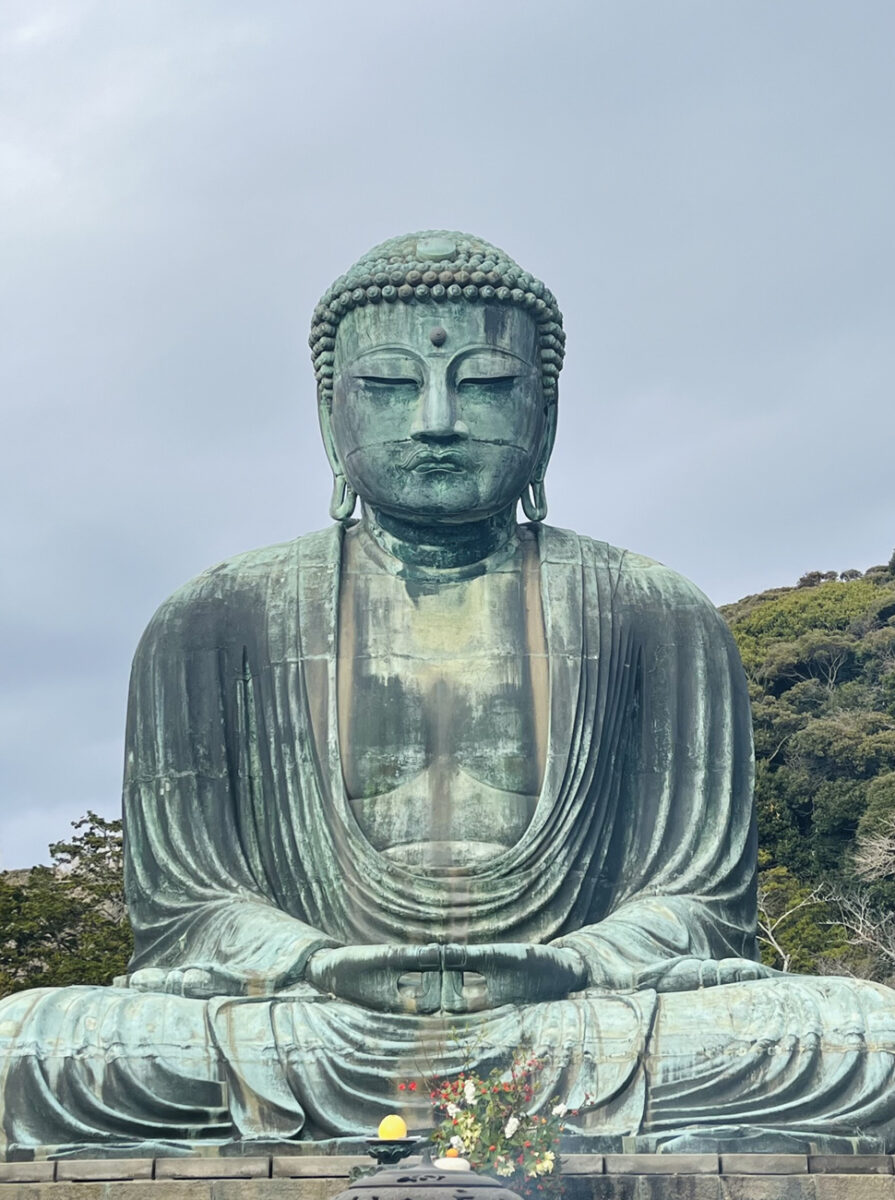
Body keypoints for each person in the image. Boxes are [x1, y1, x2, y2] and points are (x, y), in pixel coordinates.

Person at [2, 231, 895, 1159]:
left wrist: (575, 961)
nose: (435, 420)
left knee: (864, 1042)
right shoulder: (215, 619)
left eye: (485, 386)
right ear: (327, 415)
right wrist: (312, 961)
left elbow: (698, 903)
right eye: (389, 386)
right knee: (30, 1046)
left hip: (578, 1017)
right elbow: (190, 910)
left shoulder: (652, 612)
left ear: (544, 416)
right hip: (313, 1024)